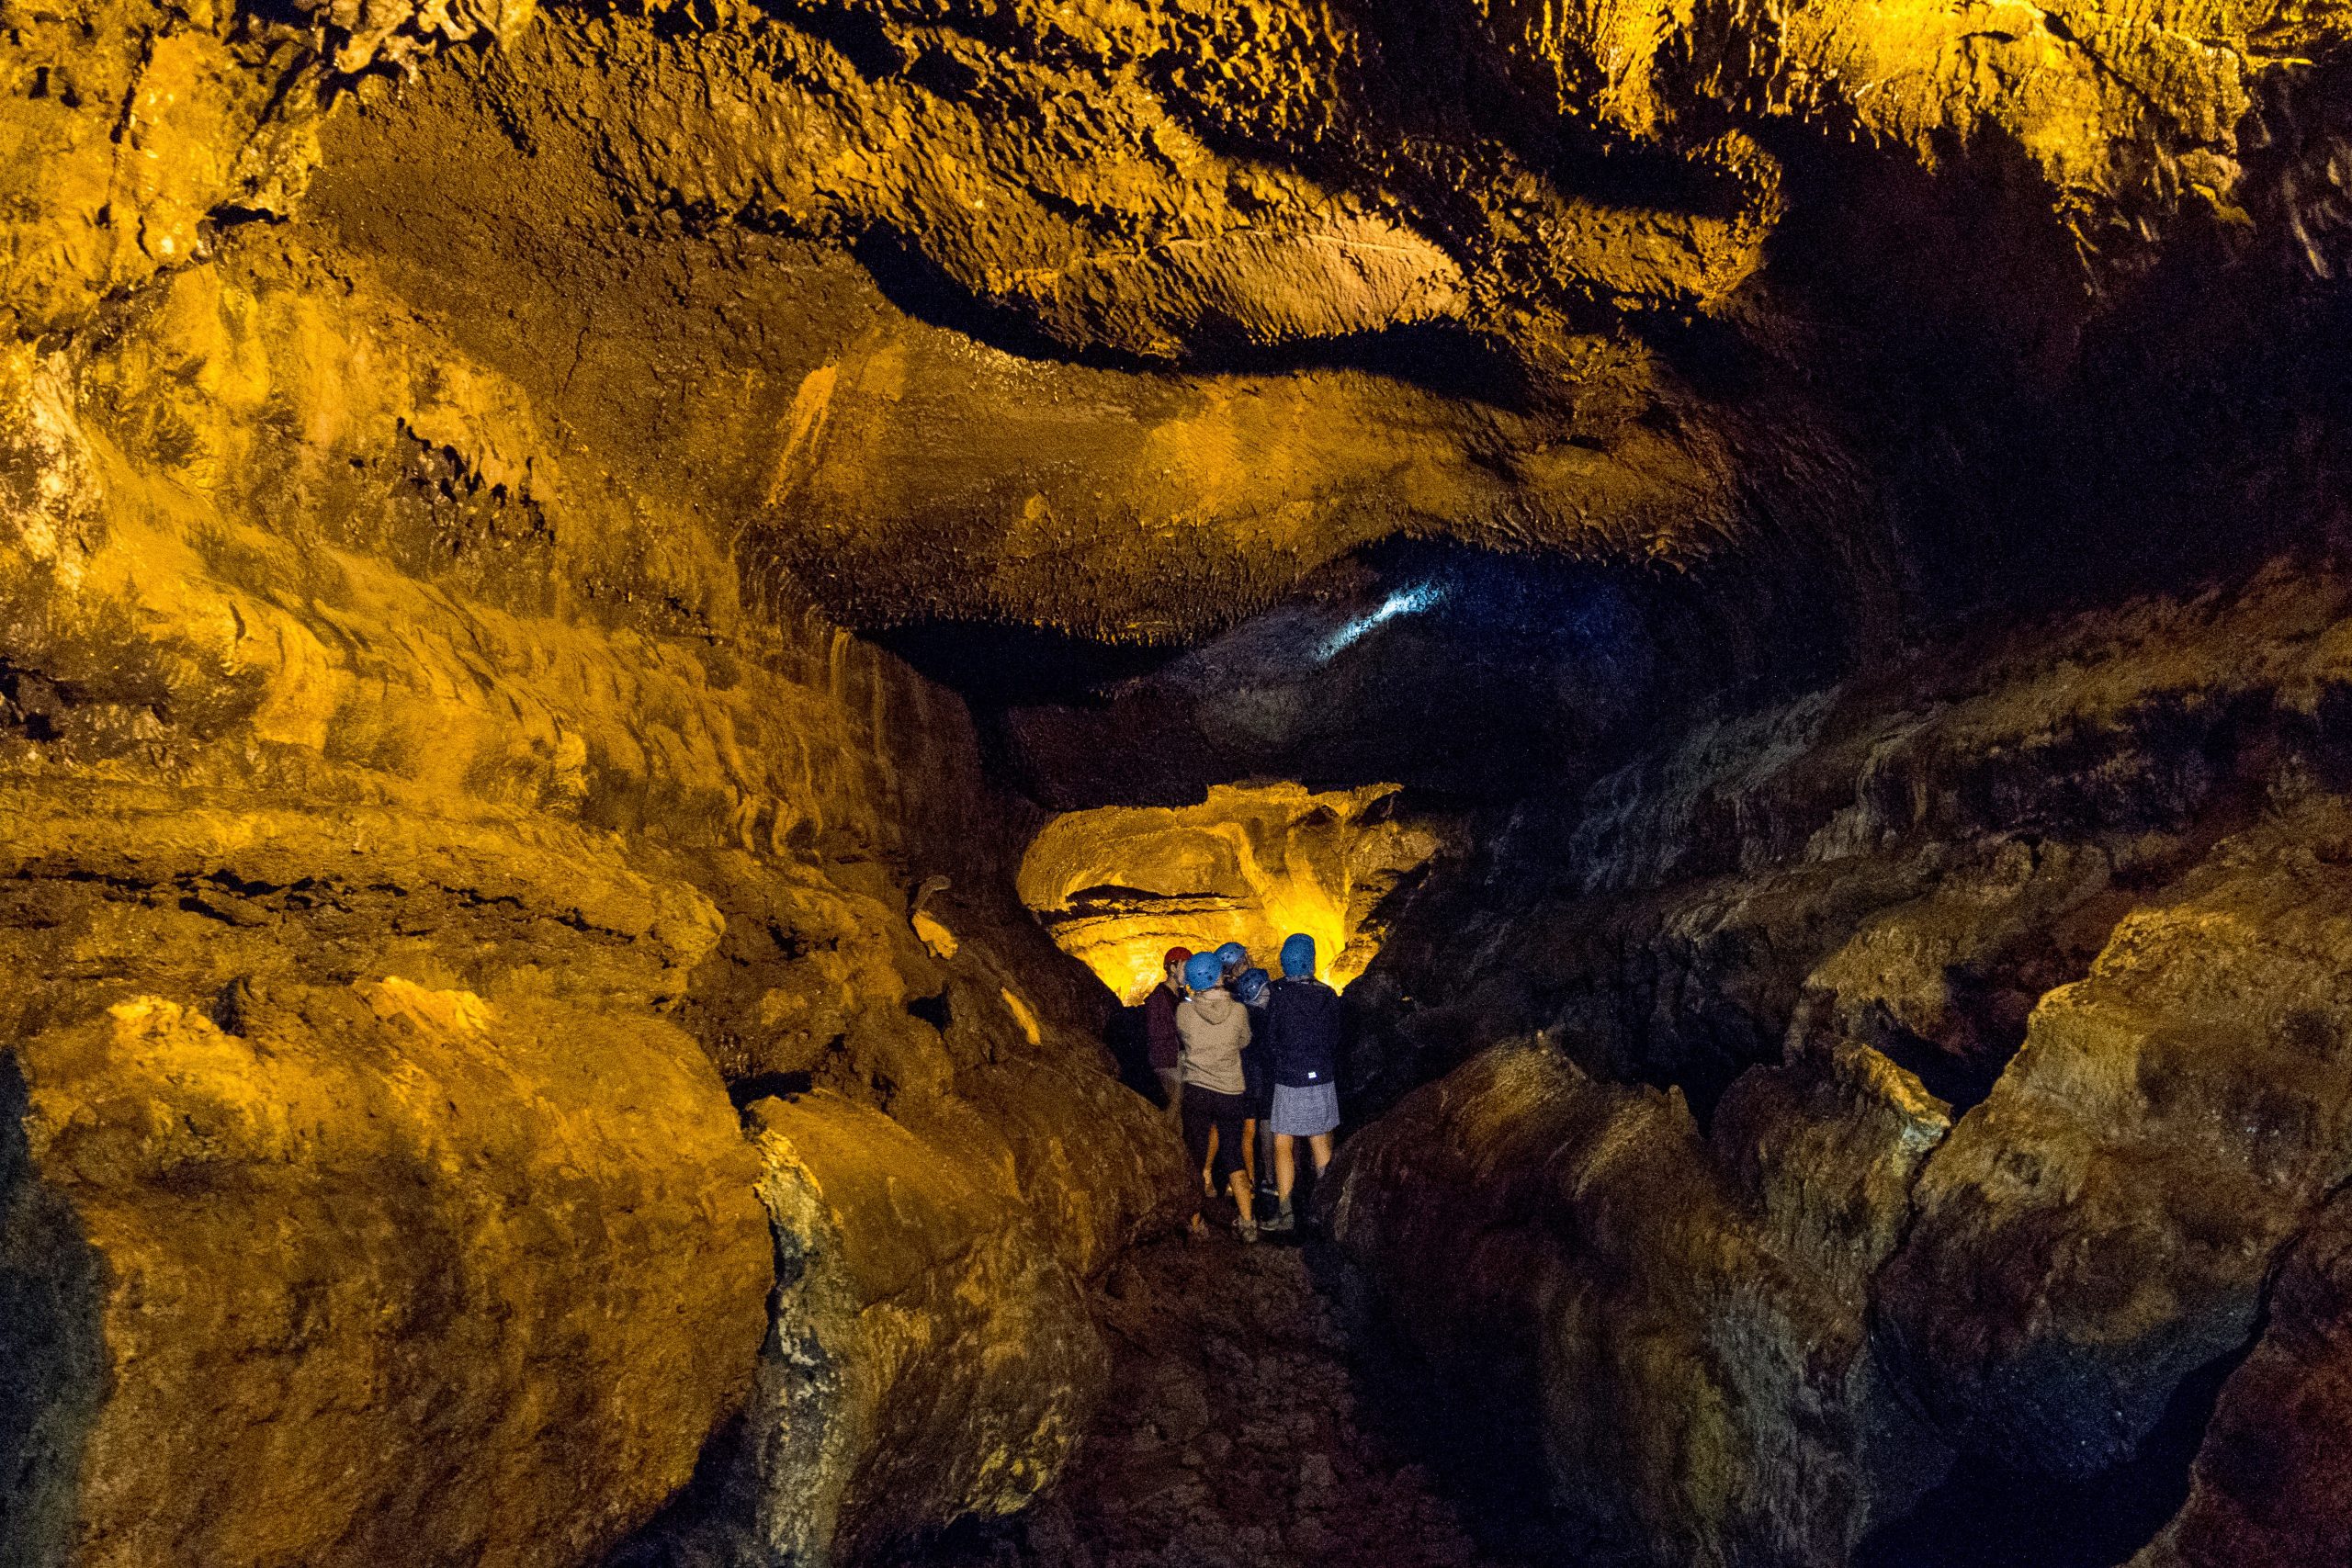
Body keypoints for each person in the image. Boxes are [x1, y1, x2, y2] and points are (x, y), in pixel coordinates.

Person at [1258, 933, 1345, 1235]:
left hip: (1288, 1078)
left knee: (1283, 1142)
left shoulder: (1277, 993)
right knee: (1320, 1142)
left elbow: (1270, 1037)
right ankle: (1326, 1213)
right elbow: (1335, 1036)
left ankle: (1285, 1213)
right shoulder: (1327, 995)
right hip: (1320, 1076)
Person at [1176, 950, 1260, 1242]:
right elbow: (1244, 1040)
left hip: (1197, 1091)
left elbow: (1185, 1039)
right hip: (1230, 1091)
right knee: (1233, 1154)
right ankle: (1248, 1222)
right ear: (1218, 975)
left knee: (1197, 1156)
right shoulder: (1238, 1011)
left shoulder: (1183, 1011)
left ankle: (1196, 1223)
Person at [1142, 945, 1192, 1128]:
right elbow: (1156, 1031)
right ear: (1172, 967)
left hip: (1178, 1059)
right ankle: (1166, 1146)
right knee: (1174, 1105)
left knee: (1180, 1108)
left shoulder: (1180, 996)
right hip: (1167, 1061)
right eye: (1185, 967)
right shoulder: (1158, 998)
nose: (1189, 973)